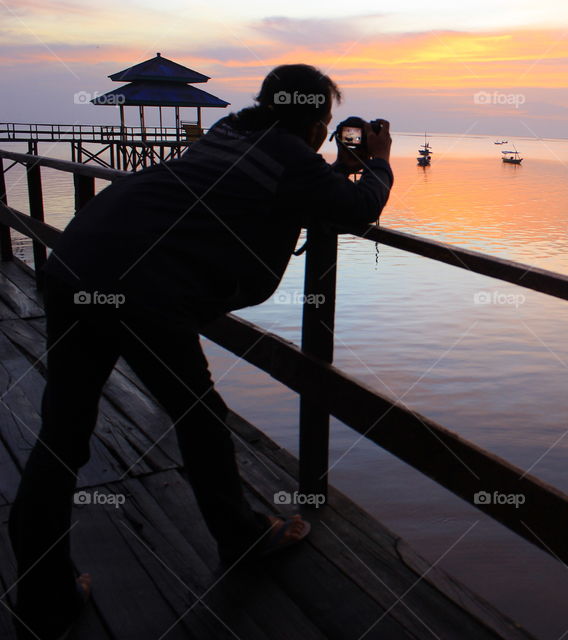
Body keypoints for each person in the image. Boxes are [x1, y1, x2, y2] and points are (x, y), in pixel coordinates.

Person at [8, 63, 393, 639]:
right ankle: (240, 537)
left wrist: (333, 170)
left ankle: (43, 594)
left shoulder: (232, 133)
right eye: (327, 123)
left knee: (62, 432)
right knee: (200, 417)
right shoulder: (289, 159)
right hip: (139, 287)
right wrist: (380, 159)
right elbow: (360, 209)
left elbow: (288, 186)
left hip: (77, 259)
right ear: (316, 122)